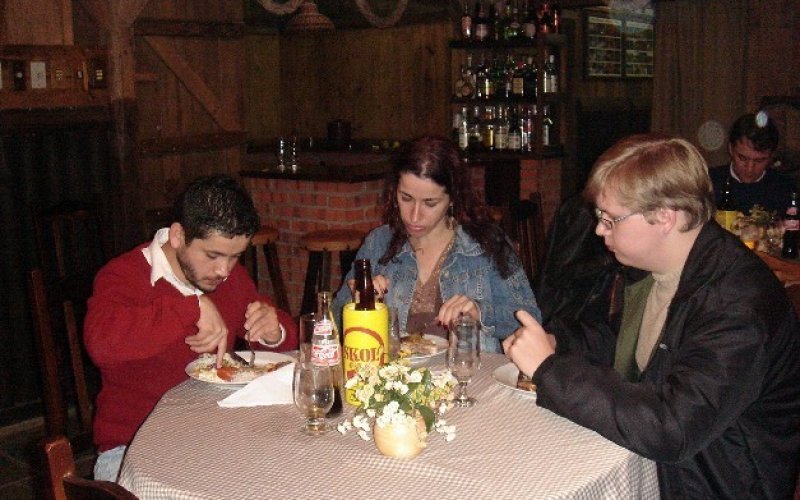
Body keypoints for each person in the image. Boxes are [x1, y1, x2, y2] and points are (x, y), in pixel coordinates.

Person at [504, 134, 800, 498]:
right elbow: (623, 341)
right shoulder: (660, 270)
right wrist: (558, 342)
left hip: (719, 484)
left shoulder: (738, 304)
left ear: (664, 217)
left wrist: (550, 370)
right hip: (666, 468)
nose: (599, 229)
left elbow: (672, 428)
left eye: (610, 219)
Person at [84, 174, 297, 481]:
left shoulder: (227, 278)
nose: (223, 271)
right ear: (178, 236)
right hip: (130, 449)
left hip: (213, 439)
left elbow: (286, 340)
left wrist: (274, 331)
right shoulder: (124, 276)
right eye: (212, 255)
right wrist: (190, 307)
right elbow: (101, 344)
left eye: (235, 257)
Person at [333, 135, 540, 353]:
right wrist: (358, 307)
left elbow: (531, 320)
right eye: (406, 198)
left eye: (430, 203)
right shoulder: (379, 243)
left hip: (467, 372)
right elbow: (334, 324)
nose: (414, 216)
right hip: (395, 373)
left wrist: (480, 311)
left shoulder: (487, 244)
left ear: (453, 198)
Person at [709, 112, 794, 214]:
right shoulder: (708, 183)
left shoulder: (784, 187)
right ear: (731, 149)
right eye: (743, 158)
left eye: (759, 161)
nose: (750, 168)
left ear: (771, 156)